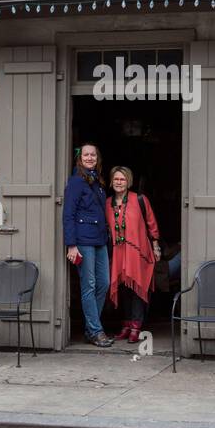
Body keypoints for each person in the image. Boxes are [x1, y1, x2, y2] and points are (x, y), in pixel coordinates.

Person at [63, 143, 113, 347]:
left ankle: (91, 327)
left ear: (97, 158)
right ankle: (95, 330)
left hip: (100, 240)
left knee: (104, 283)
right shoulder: (76, 182)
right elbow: (68, 215)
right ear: (80, 158)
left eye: (93, 154)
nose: (90, 157)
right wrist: (71, 245)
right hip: (83, 241)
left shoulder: (98, 182)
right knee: (89, 285)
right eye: (86, 155)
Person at [105, 166, 161, 343]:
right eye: (116, 179)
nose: (119, 182)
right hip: (118, 252)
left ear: (128, 181)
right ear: (111, 181)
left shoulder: (140, 199)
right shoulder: (107, 203)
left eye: (122, 179)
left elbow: (152, 224)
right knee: (123, 289)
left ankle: (136, 326)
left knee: (137, 288)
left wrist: (156, 246)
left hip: (138, 251)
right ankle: (126, 325)